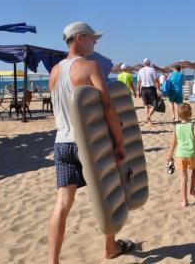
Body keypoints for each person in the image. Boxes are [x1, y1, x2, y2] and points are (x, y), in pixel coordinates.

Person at [47, 22, 133, 263]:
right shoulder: (90, 66)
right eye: (92, 38)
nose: (95, 42)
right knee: (109, 193)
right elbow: (109, 108)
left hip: (61, 143)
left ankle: (53, 261)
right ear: (79, 37)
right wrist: (119, 143)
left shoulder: (54, 72)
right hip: (89, 143)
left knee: (62, 203)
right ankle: (110, 246)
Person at [166, 103, 195, 208]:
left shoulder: (176, 127)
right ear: (191, 114)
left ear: (178, 115)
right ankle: (192, 189)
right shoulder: (193, 125)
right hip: (192, 154)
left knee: (183, 178)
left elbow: (173, 143)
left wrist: (169, 156)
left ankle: (184, 201)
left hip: (180, 155)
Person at [137, 58, 161, 126]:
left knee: (146, 105)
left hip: (143, 89)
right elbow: (157, 80)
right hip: (151, 88)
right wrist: (159, 89)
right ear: (149, 63)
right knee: (155, 104)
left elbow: (139, 82)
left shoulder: (140, 70)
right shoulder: (152, 69)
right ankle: (148, 117)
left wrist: (138, 91)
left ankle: (149, 121)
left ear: (143, 63)